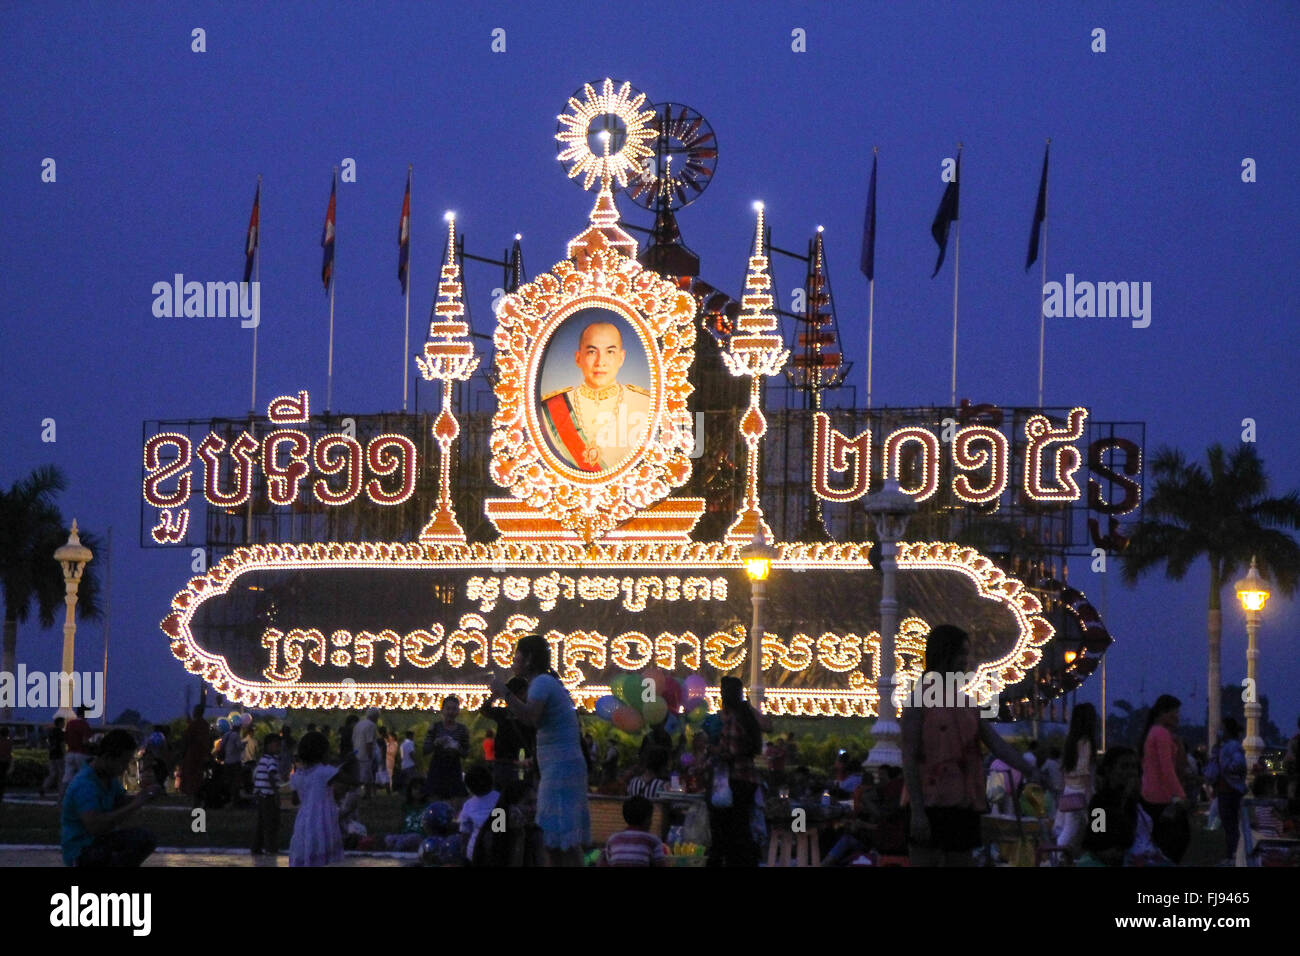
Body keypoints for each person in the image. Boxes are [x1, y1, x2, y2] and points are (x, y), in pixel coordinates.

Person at [900, 624, 1039, 867]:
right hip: (928, 803)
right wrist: (918, 813)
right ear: (944, 654)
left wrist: (1030, 770)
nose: (966, 661)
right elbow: (909, 758)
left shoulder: (967, 703)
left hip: (963, 803)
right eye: (961, 654)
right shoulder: (917, 701)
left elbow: (996, 743)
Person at [488, 634, 590, 866]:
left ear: (529, 659)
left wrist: (504, 692)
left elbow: (530, 716)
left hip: (561, 769)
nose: (513, 661)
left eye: (517, 656)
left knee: (561, 839)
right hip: (560, 767)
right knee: (556, 841)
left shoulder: (542, 683)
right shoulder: (545, 683)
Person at [538, 321, 651, 472]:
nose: (600, 362)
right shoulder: (550, 408)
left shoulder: (645, 404)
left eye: (610, 352)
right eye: (592, 352)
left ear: (621, 358)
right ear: (578, 358)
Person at [61, 729, 161, 867]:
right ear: (108, 758)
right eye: (123, 762)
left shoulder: (108, 779)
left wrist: (145, 795)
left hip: (99, 842)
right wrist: (135, 804)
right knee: (139, 840)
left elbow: (120, 803)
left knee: (145, 838)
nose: (125, 768)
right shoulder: (85, 785)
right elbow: (95, 826)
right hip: (82, 850)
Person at [706, 675, 768, 868]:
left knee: (728, 828)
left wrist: (714, 750)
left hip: (735, 780)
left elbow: (731, 752)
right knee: (741, 827)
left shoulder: (733, 719)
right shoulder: (747, 717)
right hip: (748, 778)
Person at [1139, 694, 1190, 864]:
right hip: (1161, 797)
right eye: (1174, 712)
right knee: (1174, 841)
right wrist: (1180, 795)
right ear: (1163, 713)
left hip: (1151, 795)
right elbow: (1167, 769)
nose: (1177, 717)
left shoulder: (1155, 732)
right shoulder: (1161, 734)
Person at [288, 731, 345, 867]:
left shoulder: (298, 775)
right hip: (322, 820)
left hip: (303, 821)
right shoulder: (325, 771)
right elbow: (350, 780)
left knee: (306, 852)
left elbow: (295, 800)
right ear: (323, 753)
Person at [1056, 703, 1098, 854]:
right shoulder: (1087, 742)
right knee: (1096, 827)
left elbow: (1064, 768)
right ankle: (1055, 857)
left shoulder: (1070, 740)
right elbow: (1085, 771)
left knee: (1070, 829)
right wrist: (1090, 795)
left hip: (1069, 790)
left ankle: (1058, 857)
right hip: (1082, 790)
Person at [1207, 716, 1248, 864]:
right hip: (1225, 790)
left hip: (1229, 790)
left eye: (1222, 729)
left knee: (1230, 825)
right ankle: (1232, 854)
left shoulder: (1232, 746)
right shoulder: (1225, 746)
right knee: (1228, 824)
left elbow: (1239, 764)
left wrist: (1225, 769)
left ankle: (1233, 855)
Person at [483, 677, 534, 792]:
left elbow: (485, 710)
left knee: (508, 795)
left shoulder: (523, 713)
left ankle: (502, 811)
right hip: (510, 762)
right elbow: (485, 710)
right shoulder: (506, 713)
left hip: (515, 763)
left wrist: (494, 697)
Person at [599, 795, 668, 867]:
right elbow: (660, 864)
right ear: (647, 820)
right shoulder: (653, 840)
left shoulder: (613, 839)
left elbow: (604, 862)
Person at [424, 697, 470, 802]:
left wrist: (457, 748)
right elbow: (426, 749)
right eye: (448, 709)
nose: (450, 712)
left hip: (454, 770)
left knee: (454, 803)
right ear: (443, 710)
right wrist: (436, 743)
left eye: (454, 709)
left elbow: (466, 753)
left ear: (458, 711)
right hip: (437, 769)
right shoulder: (435, 727)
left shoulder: (462, 730)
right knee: (435, 802)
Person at [457, 764, 500, 863]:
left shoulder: (468, 805)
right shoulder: (500, 798)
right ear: (491, 780)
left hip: (474, 853)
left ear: (469, 787)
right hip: (499, 852)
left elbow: (464, 833)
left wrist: (463, 851)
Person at [251, 734, 282, 856]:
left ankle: (256, 847)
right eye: (277, 745)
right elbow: (271, 774)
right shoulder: (271, 760)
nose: (278, 747)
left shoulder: (262, 760)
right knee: (271, 823)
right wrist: (276, 792)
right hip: (268, 795)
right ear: (269, 746)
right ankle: (270, 848)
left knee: (261, 823)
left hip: (261, 795)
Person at [179, 705, 210, 807]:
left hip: (193, 755)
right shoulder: (204, 724)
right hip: (202, 755)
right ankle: (198, 799)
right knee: (198, 778)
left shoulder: (195, 725)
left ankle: (195, 800)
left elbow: (187, 739)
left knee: (193, 779)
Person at [62, 706, 92, 800]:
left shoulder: (70, 723)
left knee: (67, 779)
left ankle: (62, 799)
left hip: (70, 753)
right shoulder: (84, 725)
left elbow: (66, 739)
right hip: (81, 754)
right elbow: (85, 742)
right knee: (85, 777)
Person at [352, 709, 378, 798]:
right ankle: (361, 793)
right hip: (365, 755)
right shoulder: (371, 725)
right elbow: (369, 742)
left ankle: (367, 793)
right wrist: (370, 755)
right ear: (375, 717)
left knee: (363, 775)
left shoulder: (358, 724)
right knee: (365, 776)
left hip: (357, 753)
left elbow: (353, 739)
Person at [221, 719, 244, 806]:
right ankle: (235, 800)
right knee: (236, 782)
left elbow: (222, 746)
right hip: (235, 762)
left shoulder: (226, 734)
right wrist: (243, 745)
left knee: (228, 781)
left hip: (227, 762)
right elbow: (239, 747)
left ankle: (228, 799)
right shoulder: (236, 736)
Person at [41, 717, 65, 798]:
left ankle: (44, 787)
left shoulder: (51, 732)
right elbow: (62, 744)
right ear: (60, 723)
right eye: (63, 722)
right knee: (61, 774)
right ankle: (61, 792)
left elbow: (48, 743)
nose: (64, 724)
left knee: (52, 774)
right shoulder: (61, 733)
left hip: (52, 755)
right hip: (59, 755)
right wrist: (64, 754)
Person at [398, 730, 417, 796]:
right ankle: (410, 794)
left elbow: (401, 756)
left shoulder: (402, 744)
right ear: (410, 736)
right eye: (413, 736)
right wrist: (416, 762)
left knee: (406, 781)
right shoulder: (410, 743)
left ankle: (404, 794)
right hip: (410, 765)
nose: (413, 737)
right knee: (412, 781)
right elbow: (411, 753)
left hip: (404, 765)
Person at [384, 727, 399, 795]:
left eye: (389, 736)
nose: (388, 737)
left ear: (392, 737)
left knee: (389, 774)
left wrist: (385, 750)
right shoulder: (389, 743)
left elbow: (393, 753)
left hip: (390, 760)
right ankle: (388, 788)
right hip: (387, 760)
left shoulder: (395, 743)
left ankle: (390, 788)